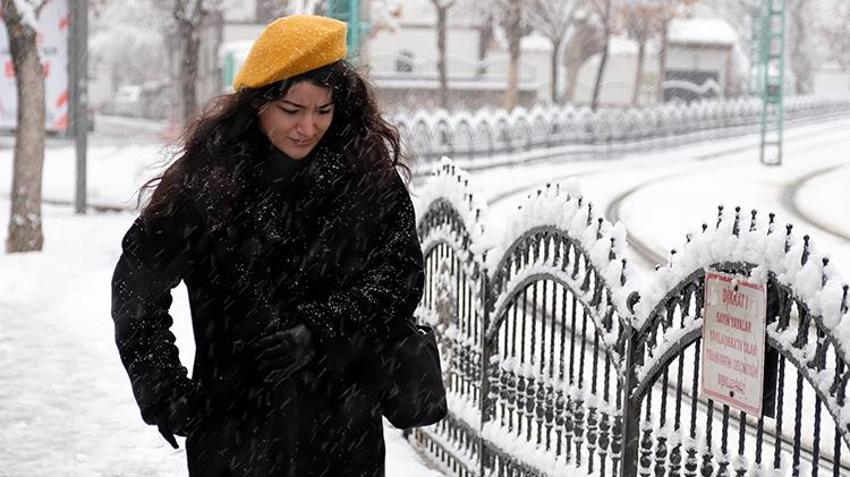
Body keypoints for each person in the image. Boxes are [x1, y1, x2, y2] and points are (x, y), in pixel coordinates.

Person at [111, 15, 425, 476]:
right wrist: (163, 390)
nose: (308, 127)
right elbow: (137, 289)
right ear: (257, 104)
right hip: (234, 430)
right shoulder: (207, 181)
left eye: (323, 110)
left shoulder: (367, 181)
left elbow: (400, 280)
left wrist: (319, 331)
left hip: (343, 428)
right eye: (291, 109)